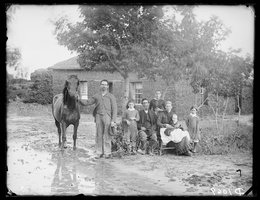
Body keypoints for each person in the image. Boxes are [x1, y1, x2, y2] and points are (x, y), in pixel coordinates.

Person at [79, 79, 117, 159]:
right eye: (102, 84)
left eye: (105, 84)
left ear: (107, 86)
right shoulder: (96, 95)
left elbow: (114, 109)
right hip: (98, 116)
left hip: (107, 116)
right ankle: (99, 152)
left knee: (107, 134)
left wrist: (113, 120)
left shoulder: (111, 96)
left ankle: (107, 152)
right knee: (98, 134)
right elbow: (88, 102)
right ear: (100, 86)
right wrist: (79, 99)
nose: (104, 86)